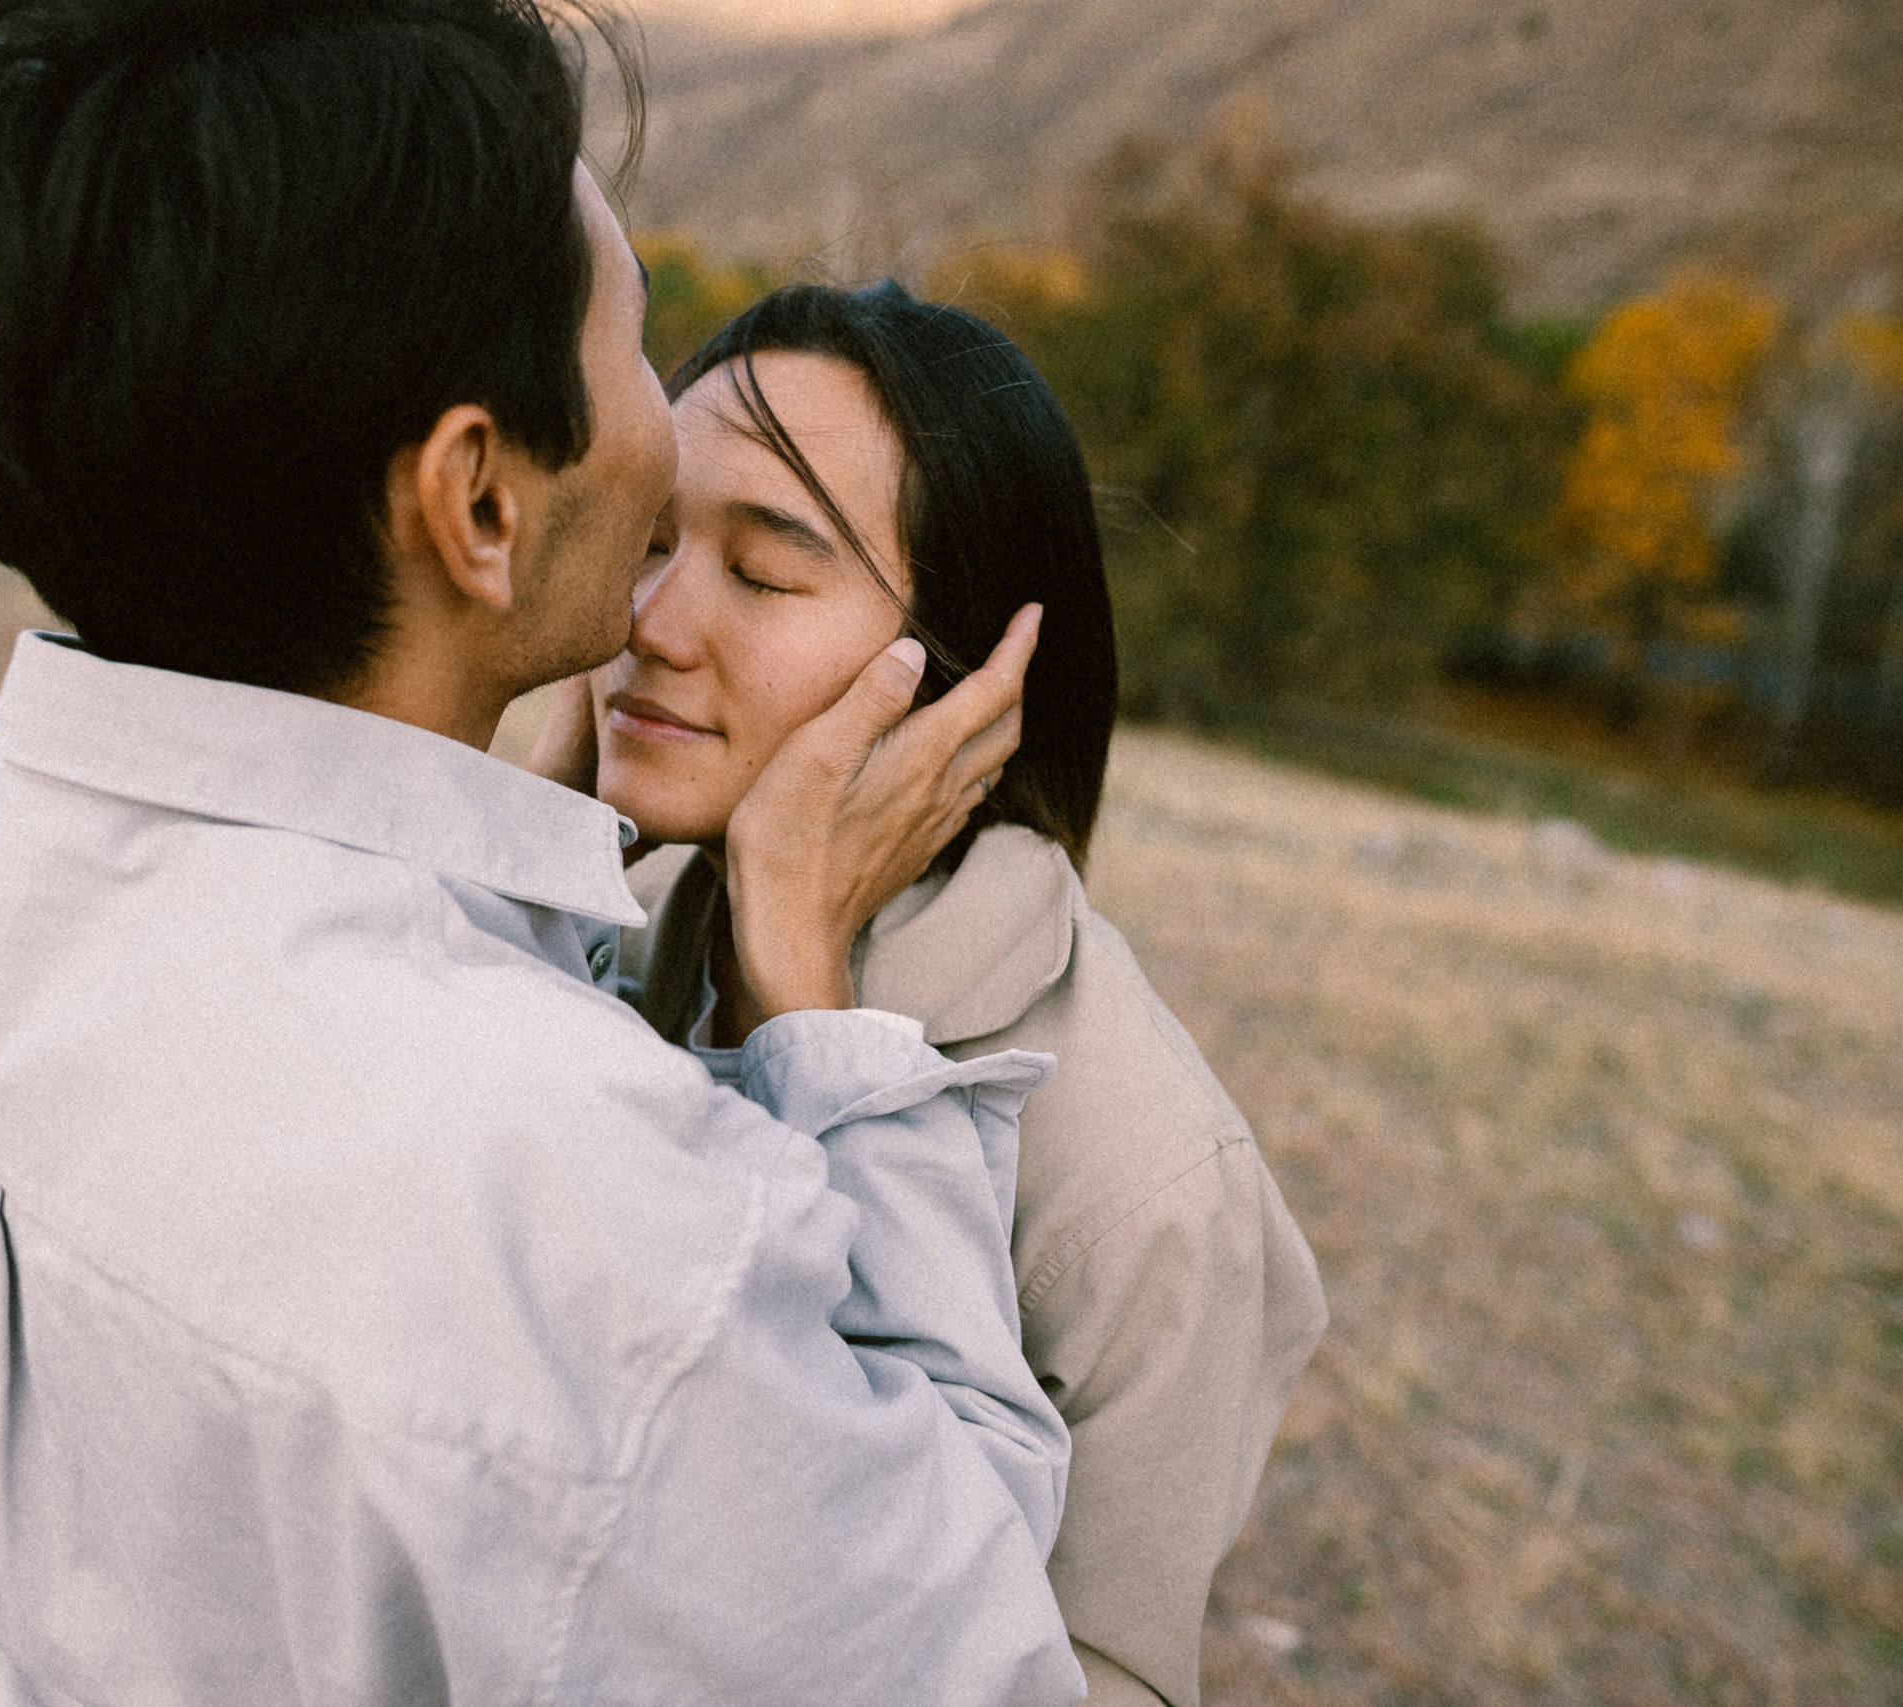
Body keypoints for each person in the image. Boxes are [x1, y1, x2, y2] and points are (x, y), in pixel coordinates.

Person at [0, 2, 1090, 1702]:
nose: (667, 450)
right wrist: (804, 989)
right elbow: (972, 1632)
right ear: (480, 505)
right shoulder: (570, 1202)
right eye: (634, 345)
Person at [541, 281, 1328, 1707]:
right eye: (651, 541)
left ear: (969, 675)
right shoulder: (627, 917)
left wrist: (804, 1007)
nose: (649, 618)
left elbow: (1099, 1680)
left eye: (765, 574)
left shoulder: (1139, 1190)